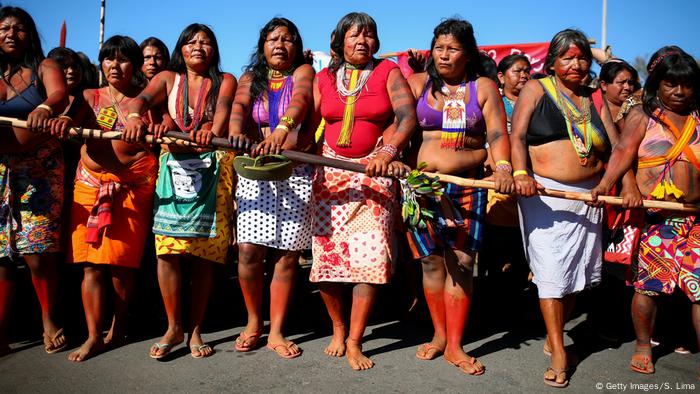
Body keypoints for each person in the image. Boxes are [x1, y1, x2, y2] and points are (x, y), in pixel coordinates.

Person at [510, 29, 625, 388]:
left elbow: (619, 149)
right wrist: (519, 173)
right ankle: (559, 350)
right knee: (551, 272)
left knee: (577, 276)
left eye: (582, 58)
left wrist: (610, 186)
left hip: (590, 196)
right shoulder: (535, 89)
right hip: (544, 195)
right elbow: (516, 136)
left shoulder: (596, 99)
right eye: (568, 58)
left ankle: (554, 333)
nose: (576, 64)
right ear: (553, 62)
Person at [404, 18, 513, 376]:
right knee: (431, 262)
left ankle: (455, 345)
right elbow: (401, 123)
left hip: (467, 186)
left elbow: (497, 133)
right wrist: (387, 153)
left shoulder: (483, 86)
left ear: (467, 53)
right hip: (421, 187)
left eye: (452, 48)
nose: (444, 55)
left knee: (462, 263)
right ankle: (438, 335)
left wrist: (503, 168)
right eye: (439, 48)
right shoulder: (419, 83)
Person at [308, 12, 416, 371]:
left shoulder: (388, 72)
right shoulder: (323, 78)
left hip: (374, 172)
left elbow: (406, 117)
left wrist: (388, 151)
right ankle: (337, 328)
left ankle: (355, 340)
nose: (363, 41)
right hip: (329, 174)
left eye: (369, 35)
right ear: (340, 40)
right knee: (328, 260)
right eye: (355, 35)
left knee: (370, 261)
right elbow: (307, 120)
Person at [125, 23, 237, 360]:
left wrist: (209, 131)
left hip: (213, 167)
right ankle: (174, 327)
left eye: (206, 42)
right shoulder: (168, 79)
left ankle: (197, 329)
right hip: (173, 169)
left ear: (214, 50)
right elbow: (140, 100)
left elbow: (220, 117)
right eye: (191, 41)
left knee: (204, 255)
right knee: (168, 251)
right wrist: (133, 116)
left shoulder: (225, 80)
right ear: (181, 48)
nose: (199, 47)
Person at [591, 46, 700, 377]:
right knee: (648, 288)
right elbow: (622, 152)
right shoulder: (643, 115)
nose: (679, 92)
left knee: (699, 291)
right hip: (655, 220)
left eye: (686, 85)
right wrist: (607, 185)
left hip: (695, 220)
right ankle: (642, 345)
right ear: (657, 85)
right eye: (670, 84)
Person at [47, 35, 157, 362]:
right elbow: (69, 117)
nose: (114, 65)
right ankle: (94, 335)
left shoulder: (147, 98)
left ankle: (118, 327)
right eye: (108, 58)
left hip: (133, 187)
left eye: (122, 59)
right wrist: (64, 122)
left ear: (134, 65)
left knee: (121, 265)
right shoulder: (88, 97)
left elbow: (162, 129)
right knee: (91, 266)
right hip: (90, 184)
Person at [228, 17, 314, 359]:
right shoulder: (250, 78)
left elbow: (301, 102)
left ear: (296, 46)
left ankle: (277, 330)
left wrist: (283, 129)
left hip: (295, 169)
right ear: (262, 45)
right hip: (255, 168)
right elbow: (238, 109)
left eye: (288, 39)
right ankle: (253, 322)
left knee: (287, 255)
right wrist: (236, 131)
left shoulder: (303, 73)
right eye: (273, 38)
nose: (280, 44)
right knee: (249, 250)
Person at [0, 6, 68, 356]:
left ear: (30, 34)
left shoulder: (44, 67)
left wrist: (43, 109)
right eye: (4, 28)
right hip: (0, 171)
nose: (11, 34)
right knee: (1, 255)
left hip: (39, 169)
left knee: (37, 252)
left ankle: (49, 319)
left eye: (19, 28)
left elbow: (59, 96)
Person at [479, 54, 531, 286]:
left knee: (524, 251)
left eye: (526, 71)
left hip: (529, 181)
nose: (524, 75)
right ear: (501, 77)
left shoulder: (535, 103)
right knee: (498, 248)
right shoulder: (492, 102)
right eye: (517, 71)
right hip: (497, 181)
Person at [598, 59, 640, 127]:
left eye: (631, 83)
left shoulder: (639, 109)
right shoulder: (592, 110)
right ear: (604, 85)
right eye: (621, 82)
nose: (627, 87)